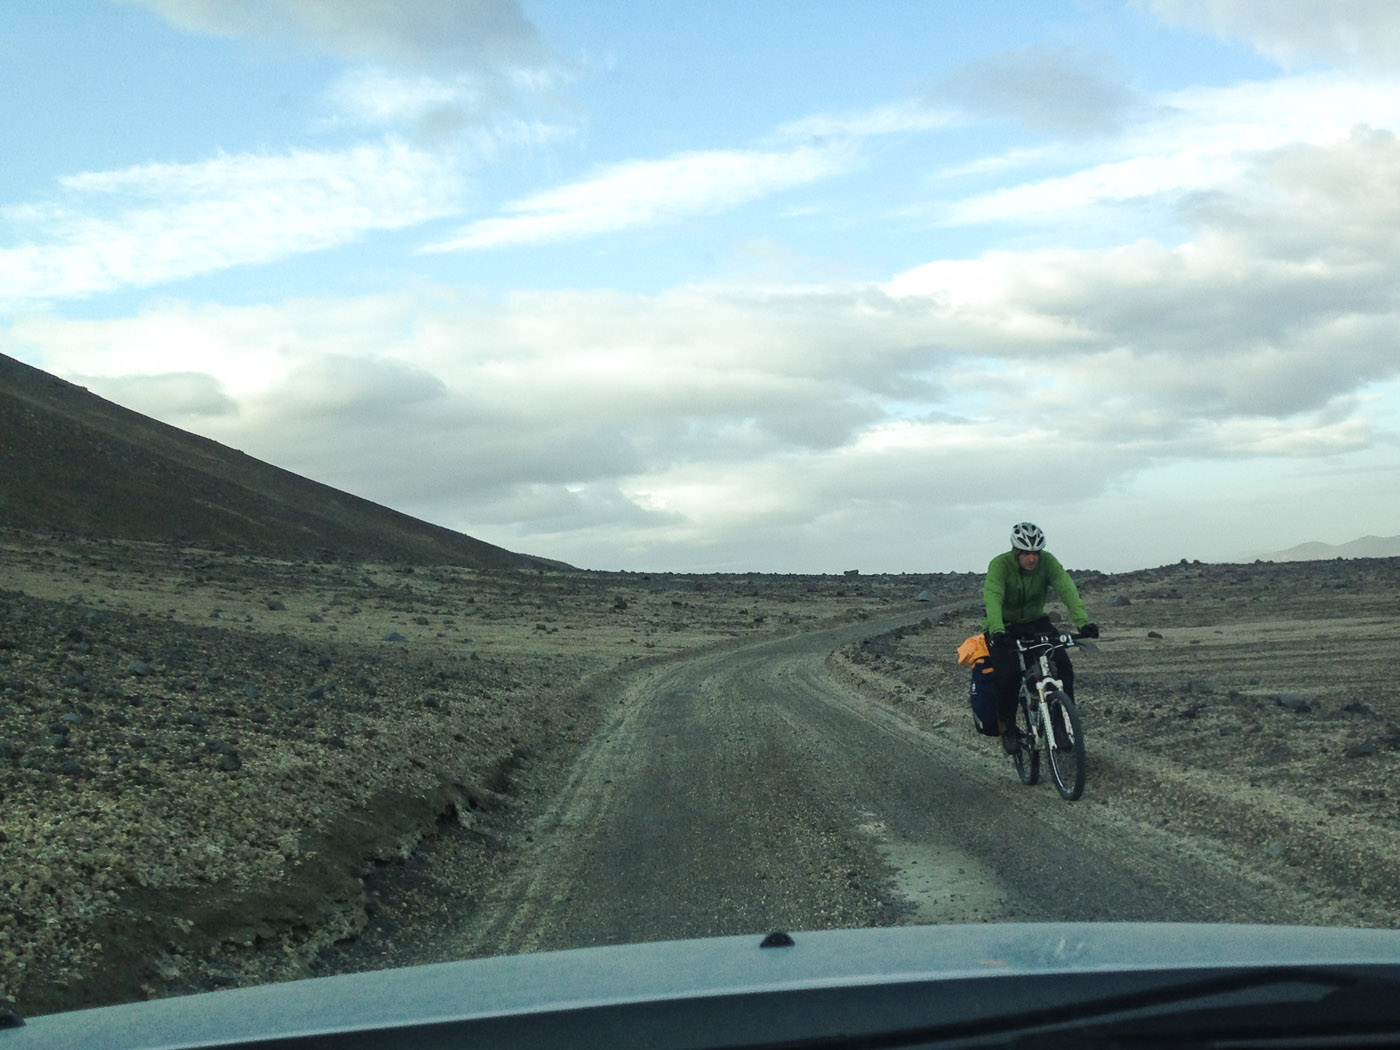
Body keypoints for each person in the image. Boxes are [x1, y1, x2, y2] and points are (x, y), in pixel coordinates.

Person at [983, 522, 1098, 754]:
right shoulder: (1000, 565)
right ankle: (1009, 728)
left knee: (1063, 666)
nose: (1031, 559)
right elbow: (993, 596)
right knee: (1009, 674)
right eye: (1025, 553)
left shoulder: (1048, 562)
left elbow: (1067, 589)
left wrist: (1083, 622)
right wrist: (996, 629)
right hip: (1004, 626)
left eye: (1035, 552)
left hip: (1035, 622)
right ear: (1016, 551)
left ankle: (1060, 724)